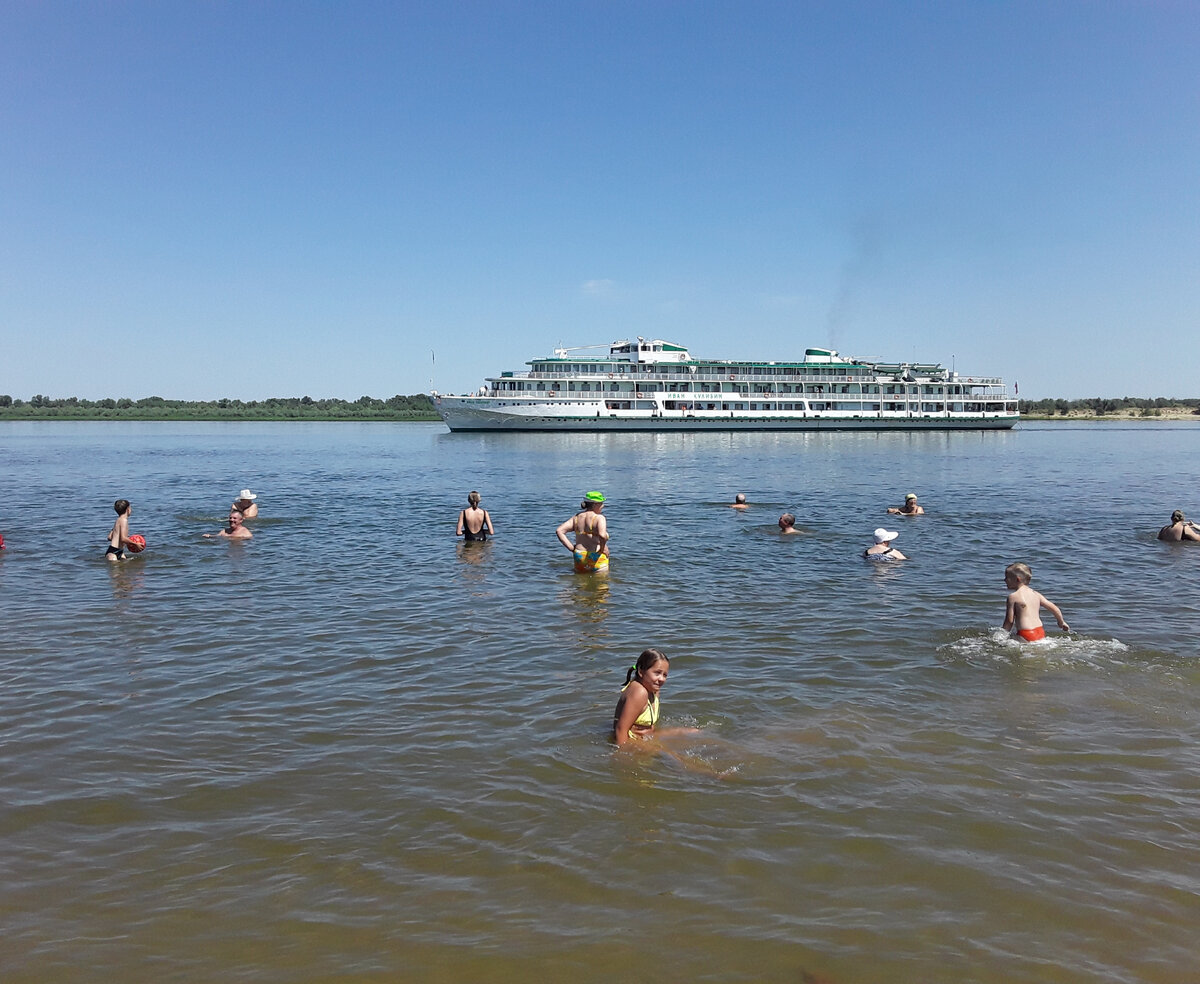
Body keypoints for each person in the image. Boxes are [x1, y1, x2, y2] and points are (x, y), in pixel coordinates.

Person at [613, 649, 670, 745]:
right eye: (657, 673)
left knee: (693, 732)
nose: (661, 679)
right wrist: (623, 756)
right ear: (640, 671)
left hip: (648, 737)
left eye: (665, 675)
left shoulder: (654, 689)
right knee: (676, 759)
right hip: (633, 742)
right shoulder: (639, 692)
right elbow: (620, 730)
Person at [1002, 562, 1069, 641]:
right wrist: (1061, 622)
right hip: (1040, 632)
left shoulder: (1013, 597)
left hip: (1025, 633)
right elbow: (1054, 608)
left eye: (1007, 577)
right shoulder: (1036, 594)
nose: (1004, 580)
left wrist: (1002, 636)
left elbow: (1009, 621)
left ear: (1018, 579)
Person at [556, 491, 609, 573]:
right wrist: (602, 549)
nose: (603, 506)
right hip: (596, 556)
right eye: (601, 503)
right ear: (595, 504)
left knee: (581, 583)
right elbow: (602, 536)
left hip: (579, 556)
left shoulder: (577, 517)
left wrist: (571, 548)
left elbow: (559, 531)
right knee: (601, 584)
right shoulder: (599, 518)